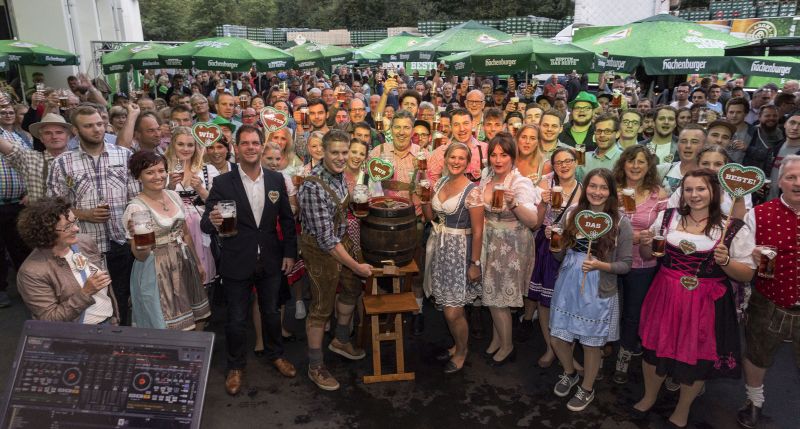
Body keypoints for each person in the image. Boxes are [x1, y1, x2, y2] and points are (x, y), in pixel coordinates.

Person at [635, 169, 755, 428]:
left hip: (705, 301)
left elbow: (745, 275)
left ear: (715, 192)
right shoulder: (668, 217)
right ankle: (649, 396)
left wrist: (726, 261)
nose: (694, 195)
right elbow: (648, 256)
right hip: (665, 293)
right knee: (653, 349)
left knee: (697, 356)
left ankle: (683, 408)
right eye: (689, 189)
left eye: (701, 189)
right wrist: (646, 242)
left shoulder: (732, 228)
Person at [201, 124, 297, 395]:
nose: (251, 147)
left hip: (270, 258)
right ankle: (235, 366)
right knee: (236, 318)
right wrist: (214, 220)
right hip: (236, 259)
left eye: (256, 143)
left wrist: (290, 253)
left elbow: (287, 221)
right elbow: (207, 225)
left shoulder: (276, 179)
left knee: (271, 312)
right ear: (237, 148)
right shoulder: (222, 182)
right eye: (245, 143)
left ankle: (276, 354)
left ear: (261, 146)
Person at [548, 168, 632, 412]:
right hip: (568, 282)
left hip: (598, 286)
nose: (597, 192)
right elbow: (560, 255)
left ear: (611, 192)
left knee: (590, 343)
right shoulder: (573, 214)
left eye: (603, 187)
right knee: (557, 336)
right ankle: (570, 372)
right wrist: (555, 246)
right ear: (586, 188)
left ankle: (587, 387)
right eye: (592, 186)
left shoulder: (621, 222)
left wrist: (600, 264)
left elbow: (626, 265)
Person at [47, 106, 138, 325]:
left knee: (123, 298)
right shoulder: (62, 162)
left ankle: (122, 344)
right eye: (88, 126)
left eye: (99, 124)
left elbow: (136, 199)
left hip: (120, 242)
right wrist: (83, 214)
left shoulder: (124, 155)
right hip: (83, 247)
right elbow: (52, 207)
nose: (96, 129)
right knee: (92, 303)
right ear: (76, 131)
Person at [298, 130, 372, 391]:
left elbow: (340, 211)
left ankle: (340, 340)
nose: (341, 158)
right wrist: (356, 266)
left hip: (342, 243)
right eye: (335, 153)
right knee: (321, 308)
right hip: (321, 252)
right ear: (323, 153)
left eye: (344, 152)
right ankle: (315, 365)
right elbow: (327, 241)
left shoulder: (339, 176)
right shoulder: (312, 186)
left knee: (351, 290)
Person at [737, 155, 800, 428]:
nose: (798, 183)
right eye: (791, 177)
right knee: (757, 354)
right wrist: (752, 254)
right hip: (769, 300)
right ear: (779, 181)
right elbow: (740, 257)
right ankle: (754, 401)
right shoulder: (758, 213)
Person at [123, 150, 209, 330]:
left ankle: (191, 356)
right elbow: (140, 256)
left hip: (183, 261)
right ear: (138, 177)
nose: (158, 176)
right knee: (163, 322)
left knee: (193, 317)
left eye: (161, 171)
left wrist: (198, 263)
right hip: (155, 268)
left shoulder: (174, 195)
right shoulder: (135, 208)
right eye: (150, 172)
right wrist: (140, 240)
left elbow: (185, 233)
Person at [476, 133, 540, 365]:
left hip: (511, 245)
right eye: (493, 154)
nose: (498, 159)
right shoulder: (486, 175)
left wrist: (513, 205)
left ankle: (507, 346)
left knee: (499, 300)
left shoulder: (520, 182)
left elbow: (533, 221)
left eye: (503, 154)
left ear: (512, 156)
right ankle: (497, 340)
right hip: (490, 240)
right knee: (492, 294)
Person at [422, 142, 484, 374]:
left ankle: (462, 351)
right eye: (452, 158)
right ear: (445, 159)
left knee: (453, 310)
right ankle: (456, 345)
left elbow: (478, 231)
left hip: (460, 251)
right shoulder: (440, 182)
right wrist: (424, 199)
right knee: (447, 305)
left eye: (461, 158)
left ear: (467, 163)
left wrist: (474, 263)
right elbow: (431, 217)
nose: (456, 162)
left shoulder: (473, 191)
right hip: (440, 247)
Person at [610, 146, 668, 384]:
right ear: (623, 164)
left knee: (633, 313)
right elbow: (600, 220)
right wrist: (624, 236)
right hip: (612, 259)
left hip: (642, 264)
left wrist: (648, 237)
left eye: (641, 162)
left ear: (649, 166)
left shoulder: (659, 194)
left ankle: (624, 354)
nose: (635, 166)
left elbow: (664, 229)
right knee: (611, 307)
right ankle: (603, 345)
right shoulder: (612, 189)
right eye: (631, 161)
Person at [16, 197, 118, 323]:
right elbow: (49, 319)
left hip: (108, 324)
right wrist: (86, 292)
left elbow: (105, 291)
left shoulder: (84, 242)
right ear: (47, 232)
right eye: (67, 226)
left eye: (74, 222)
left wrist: (114, 318)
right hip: (76, 337)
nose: (76, 229)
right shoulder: (32, 271)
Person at [528, 147, 582, 367]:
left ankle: (568, 351)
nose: (564, 165)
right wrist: (542, 202)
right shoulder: (544, 185)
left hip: (574, 249)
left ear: (576, 163)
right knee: (545, 301)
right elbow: (536, 223)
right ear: (553, 165)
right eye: (559, 162)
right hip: (547, 246)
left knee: (571, 301)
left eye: (568, 161)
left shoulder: (585, 189)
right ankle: (551, 347)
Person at [165, 127, 218, 286]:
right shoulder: (163, 169)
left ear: (197, 147)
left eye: (190, 145)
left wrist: (201, 189)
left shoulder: (207, 170)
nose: (186, 149)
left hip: (200, 230)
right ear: (173, 144)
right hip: (173, 230)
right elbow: (156, 202)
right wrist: (170, 187)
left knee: (201, 280)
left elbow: (217, 203)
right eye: (181, 144)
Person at [660, 125, 705, 195]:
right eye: (683, 141)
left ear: (704, 146)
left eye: (694, 142)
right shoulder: (661, 171)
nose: (688, 146)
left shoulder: (710, 175)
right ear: (677, 145)